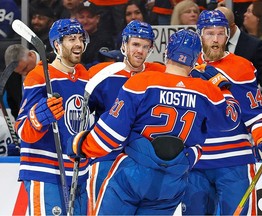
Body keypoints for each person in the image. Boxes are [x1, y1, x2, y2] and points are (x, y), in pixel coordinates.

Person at [66, 28, 242, 215]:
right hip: (172, 180)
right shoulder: (207, 91)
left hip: (133, 173)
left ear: (166, 53)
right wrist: (222, 88)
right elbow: (230, 120)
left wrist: (80, 146)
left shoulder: (142, 82)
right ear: (197, 57)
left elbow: (110, 135)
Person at [181, 10, 262, 215]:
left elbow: (256, 112)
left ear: (229, 35)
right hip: (195, 161)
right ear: (200, 34)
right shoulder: (184, 66)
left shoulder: (242, 67)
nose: (216, 40)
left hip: (234, 161)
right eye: (210, 33)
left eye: (221, 33)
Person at [86, 20, 166, 215]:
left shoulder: (159, 74)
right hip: (106, 158)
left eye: (145, 46)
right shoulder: (101, 74)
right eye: (135, 44)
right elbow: (79, 111)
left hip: (144, 161)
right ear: (124, 45)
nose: (140, 51)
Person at [14, 18, 90, 215]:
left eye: (81, 38)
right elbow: (22, 129)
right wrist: (38, 118)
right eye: (71, 39)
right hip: (46, 172)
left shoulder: (84, 77)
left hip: (78, 174)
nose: (79, 44)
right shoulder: (38, 77)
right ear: (57, 44)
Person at [216, 6, 262, 102]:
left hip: (247, 106)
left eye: (220, 31)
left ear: (232, 26)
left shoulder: (255, 46)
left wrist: (259, 107)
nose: (215, 37)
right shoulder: (209, 45)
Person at [4, 44, 40, 119]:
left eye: (25, 68)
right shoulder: (11, 76)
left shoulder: (54, 63)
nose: (24, 74)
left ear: (31, 54)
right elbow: (13, 103)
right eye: (19, 72)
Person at [75, 0, 114, 69]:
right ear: (76, 19)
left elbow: (101, 65)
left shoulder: (105, 39)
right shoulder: (73, 39)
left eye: (90, 17)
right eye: (81, 17)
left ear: (97, 18)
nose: (85, 21)